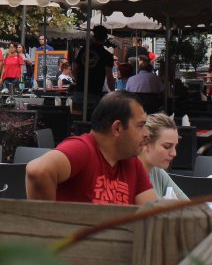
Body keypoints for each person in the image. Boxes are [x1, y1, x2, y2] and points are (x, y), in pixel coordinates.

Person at [26, 91, 156, 205]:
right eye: (140, 125)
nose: (146, 133)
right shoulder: (82, 149)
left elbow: (151, 214)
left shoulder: (131, 162)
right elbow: (38, 171)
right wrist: (49, 227)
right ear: (117, 128)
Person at [139, 113, 189, 200]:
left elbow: (188, 205)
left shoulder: (156, 171)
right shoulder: (129, 175)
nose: (174, 153)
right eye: (167, 146)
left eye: (175, 146)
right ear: (146, 143)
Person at [72, 24, 115, 113]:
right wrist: (113, 91)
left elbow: (74, 70)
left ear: (93, 36)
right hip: (95, 92)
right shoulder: (107, 55)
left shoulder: (83, 50)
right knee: (93, 121)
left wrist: (79, 82)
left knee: (77, 120)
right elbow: (109, 77)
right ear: (105, 38)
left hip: (79, 92)